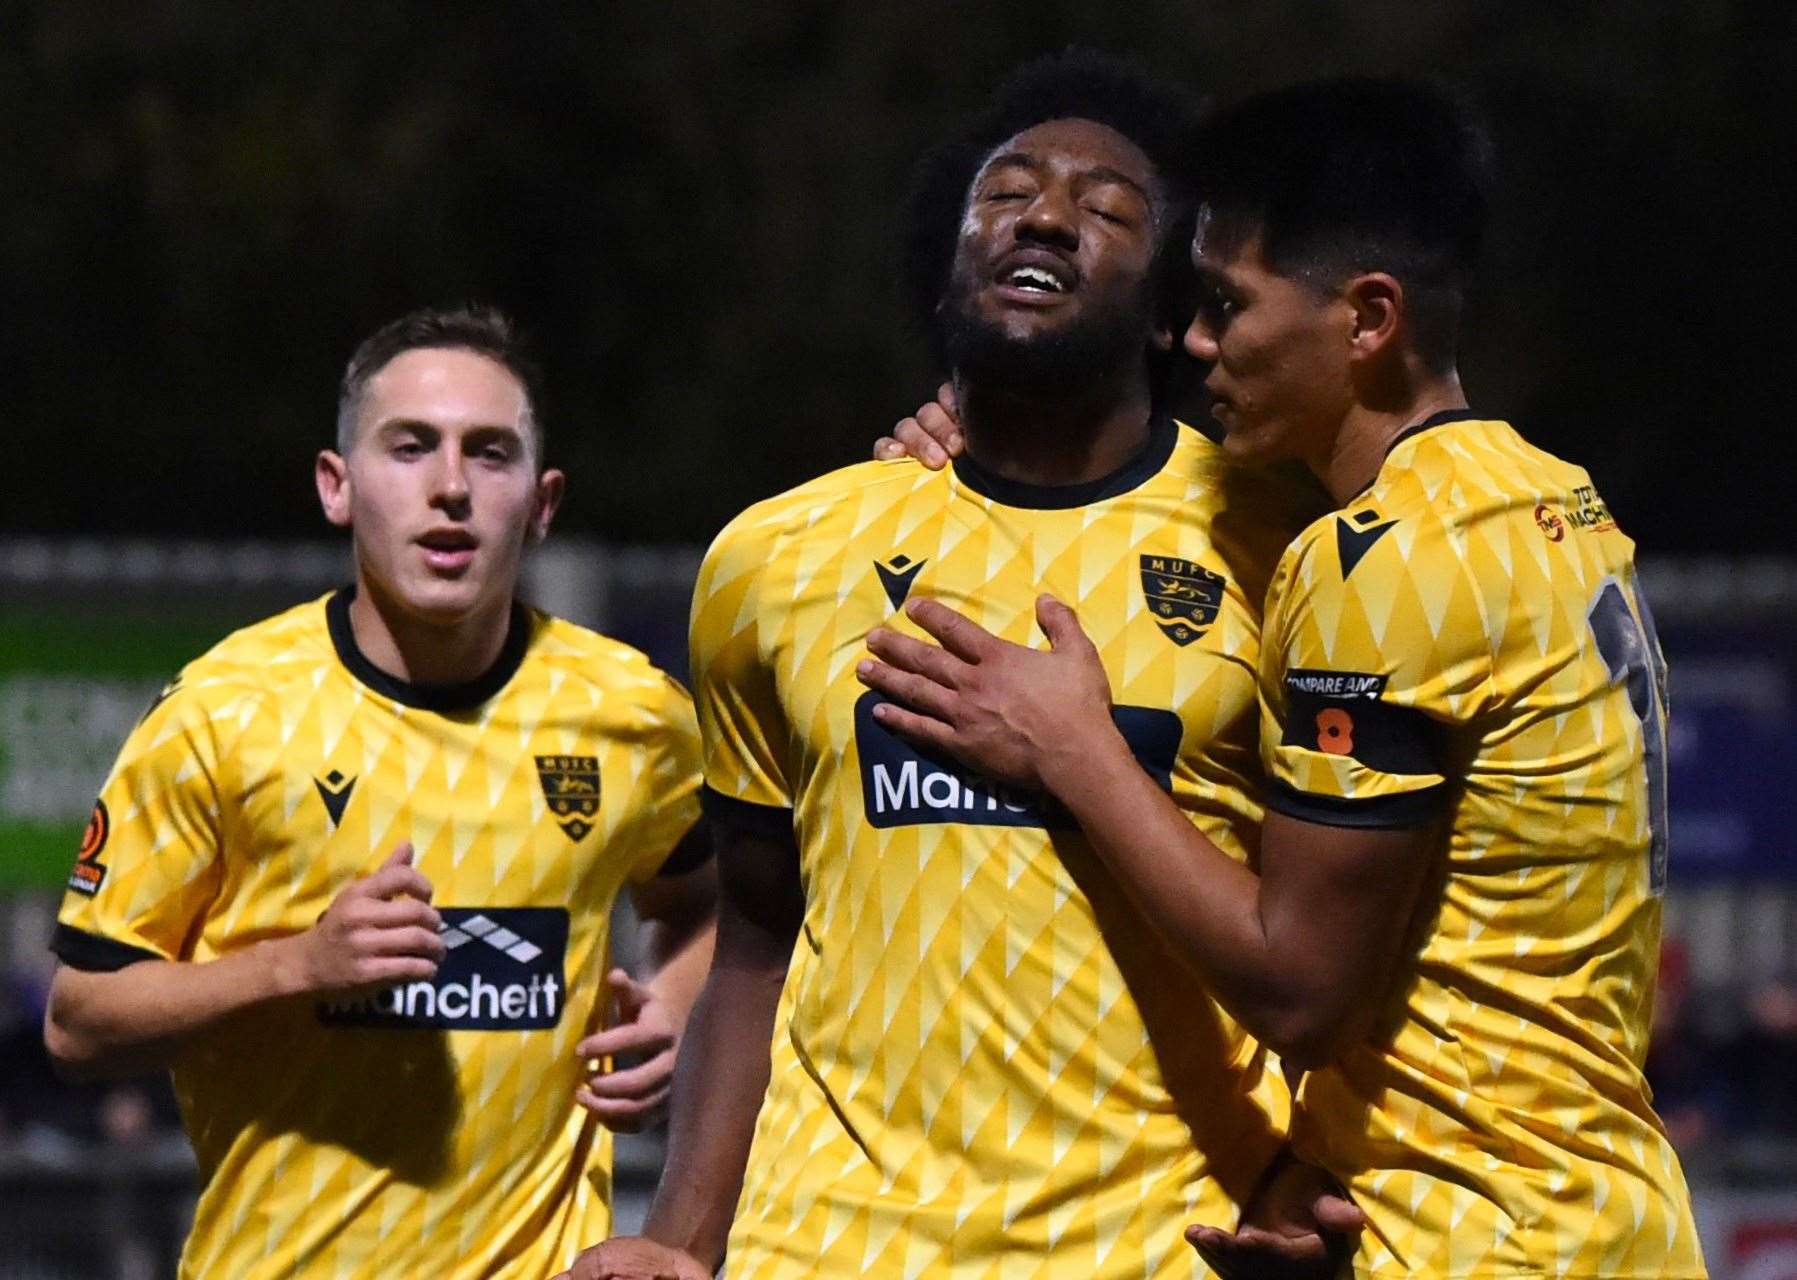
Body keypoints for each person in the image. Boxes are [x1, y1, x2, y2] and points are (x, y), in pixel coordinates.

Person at [860, 77, 1706, 1278]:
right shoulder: (1551, 502)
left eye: (1227, 306)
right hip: (1603, 1202)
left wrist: (1077, 750)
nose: (1197, 343)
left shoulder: (1376, 561)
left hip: (1476, 1233)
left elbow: (1302, 988)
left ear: (1367, 319)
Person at [563, 51, 1359, 1280]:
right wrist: (682, 1236)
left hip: (1151, 1247)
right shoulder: (776, 557)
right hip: (827, 1248)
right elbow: (757, 943)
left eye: (1106, 209)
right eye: (1008, 192)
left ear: (1170, 307)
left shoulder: (1288, 549)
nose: (1045, 214)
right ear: (950, 260)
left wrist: (1318, 1173)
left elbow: (1339, 941)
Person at [42, 306, 718, 1278]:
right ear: (338, 485)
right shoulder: (224, 713)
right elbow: (78, 1017)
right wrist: (299, 963)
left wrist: (671, 1000)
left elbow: (706, 905)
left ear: (542, 501)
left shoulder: (632, 713)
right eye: (411, 447)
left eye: (490, 453)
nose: (451, 487)